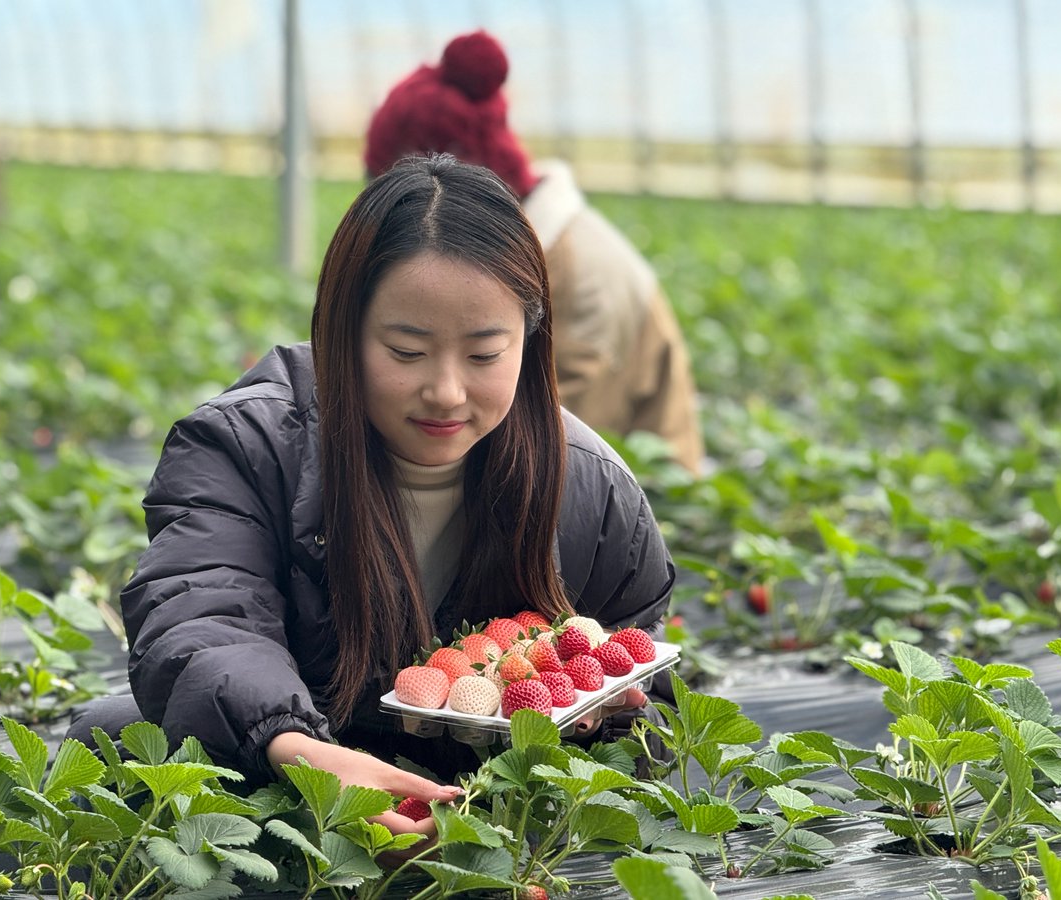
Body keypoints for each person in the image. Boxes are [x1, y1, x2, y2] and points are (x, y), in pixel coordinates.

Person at [67, 155, 675, 840]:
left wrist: (609, 712)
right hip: (295, 785)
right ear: (343, 332)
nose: (446, 391)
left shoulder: (590, 487)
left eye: (483, 355)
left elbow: (640, 653)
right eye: (407, 351)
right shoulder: (248, 448)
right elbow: (203, 615)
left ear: (530, 341)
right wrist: (300, 755)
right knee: (115, 743)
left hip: (488, 814)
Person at [363, 30, 704, 475]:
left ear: (446, 189)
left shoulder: (583, 275)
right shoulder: (517, 249)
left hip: (645, 501)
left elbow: (563, 462)